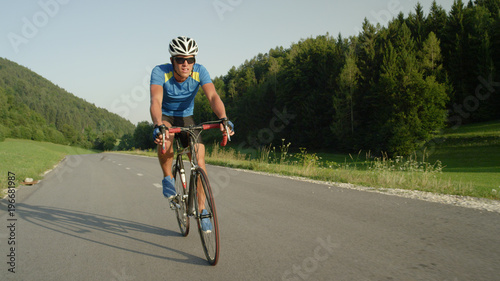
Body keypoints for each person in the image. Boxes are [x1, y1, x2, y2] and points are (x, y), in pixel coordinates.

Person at [150, 36, 234, 231]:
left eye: (190, 59)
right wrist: (157, 124)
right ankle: (167, 178)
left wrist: (223, 118)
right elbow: (155, 100)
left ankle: (203, 211)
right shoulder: (160, 72)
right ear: (172, 60)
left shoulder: (199, 71)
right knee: (166, 136)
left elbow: (213, 96)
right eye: (180, 59)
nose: (186, 64)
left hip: (187, 117)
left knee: (199, 160)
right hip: (166, 115)